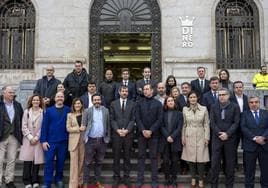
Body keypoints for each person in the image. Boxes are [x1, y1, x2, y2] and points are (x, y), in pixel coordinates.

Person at [209, 88, 240, 188]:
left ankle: (229, 185)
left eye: (223, 95)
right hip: (216, 139)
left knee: (230, 164)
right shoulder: (214, 107)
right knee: (214, 164)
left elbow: (236, 122)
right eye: (220, 95)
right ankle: (214, 185)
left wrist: (227, 134)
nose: (221, 97)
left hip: (230, 139)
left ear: (228, 96)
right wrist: (219, 133)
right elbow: (212, 122)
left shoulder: (235, 107)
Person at [40, 92, 71, 188]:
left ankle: (59, 179)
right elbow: (44, 126)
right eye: (58, 96)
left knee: (61, 162)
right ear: (54, 98)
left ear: (64, 98)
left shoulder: (68, 110)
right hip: (50, 141)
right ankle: (47, 182)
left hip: (63, 141)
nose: (60, 98)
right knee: (49, 162)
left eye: (61, 96)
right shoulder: (48, 111)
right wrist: (43, 141)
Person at [135, 84, 163, 188]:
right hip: (142, 134)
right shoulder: (139, 103)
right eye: (144, 89)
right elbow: (137, 118)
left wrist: (151, 130)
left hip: (154, 134)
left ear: (152, 91)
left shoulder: (158, 103)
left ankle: (154, 180)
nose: (145, 91)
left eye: (147, 89)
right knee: (141, 157)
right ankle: (139, 179)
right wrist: (143, 130)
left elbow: (160, 119)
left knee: (153, 157)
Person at [181, 91, 210, 188]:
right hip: (189, 135)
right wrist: (183, 137)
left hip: (201, 135)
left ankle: (201, 179)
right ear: (188, 99)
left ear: (197, 98)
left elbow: (206, 124)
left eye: (194, 97)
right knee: (191, 159)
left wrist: (207, 137)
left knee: (201, 159)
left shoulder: (204, 109)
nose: (193, 99)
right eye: (191, 97)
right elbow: (184, 125)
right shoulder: (185, 109)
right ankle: (193, 179)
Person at [82, 94, 110, 188]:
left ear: (101, 100)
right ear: (92, 101)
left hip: (102, 141)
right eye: (95, 100)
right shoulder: (87, 111)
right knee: (87, 162)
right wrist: (85, 138)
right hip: (90, 140)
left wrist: (107, 137)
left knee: (99, 162)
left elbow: (108, 125)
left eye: (98, 99)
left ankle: (97, 181)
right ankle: (85, 182)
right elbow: (84, 125)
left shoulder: (106, 110)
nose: (97, 101)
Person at [110, 86, 136, 188]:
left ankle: (126, 177)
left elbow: (133, 119)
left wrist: (127, 130)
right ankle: (116, 177)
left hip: (128, 135)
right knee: (116, 157)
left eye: (126, 91)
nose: (125, 92)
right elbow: (112, 119)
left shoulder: (133, 104)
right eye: (123, 91)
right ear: (119, 92)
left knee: (127, 156)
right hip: (116, 135)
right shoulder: (113, 103)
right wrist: (117, 130)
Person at [241, 96, 268, 188]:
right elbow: (243, 127)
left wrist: (263, 137)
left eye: (256, 102)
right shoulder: (244, 114)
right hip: (250, 147)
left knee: (266, 171)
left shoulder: (266, 113)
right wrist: (254, 138)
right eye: (251, 102)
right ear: (248, 104)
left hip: (264, 146)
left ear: (259, 103)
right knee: (249, 172)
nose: (254, 104)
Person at [0, 86, 23, 188]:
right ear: (3, 93)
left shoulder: (17, 105)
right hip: (1, 136)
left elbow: (21, 119)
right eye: (10, 92)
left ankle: (9, 180)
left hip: (13, 136)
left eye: (13, 92)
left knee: (12, 159)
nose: (12, 94)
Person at [19, 95, 44, 188]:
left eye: (38, 100)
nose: (36, 101)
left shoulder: (43, 112)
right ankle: (27, 181)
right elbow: (23, 126)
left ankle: (35, 180)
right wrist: (30, 137)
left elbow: (43, 127)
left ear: (40, 101)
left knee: (36, 161)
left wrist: (36, 138)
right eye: (34, 100)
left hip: (38, 139)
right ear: (31, 101)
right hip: (28, 139)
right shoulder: (26, 112)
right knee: (27, 161)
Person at [160, 96, 183, 187]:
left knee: (174, 160)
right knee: (165, 161)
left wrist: (172, 136)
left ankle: (174, 179)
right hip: (165, 140)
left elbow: (179, 127)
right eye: (168, 101)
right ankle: (167, 178)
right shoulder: (163, 113)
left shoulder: (179, 114)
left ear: (174, 102)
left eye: (172, 101)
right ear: (166, 103)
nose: (170, 102)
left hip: (175, 140)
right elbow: (161, 126)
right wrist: (167, 136)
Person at [66, 98, 86, 188]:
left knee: (81, 162)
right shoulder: (70, 115)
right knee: (74, 164)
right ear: (73, 105)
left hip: (83, 141)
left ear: (81, 105)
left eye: (79, 103)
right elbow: (68, 128)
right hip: (73, 142)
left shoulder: (85, 114)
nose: (77, 105)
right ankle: (73, 185)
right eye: (76, 104)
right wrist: (78, 129)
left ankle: (80, 182)